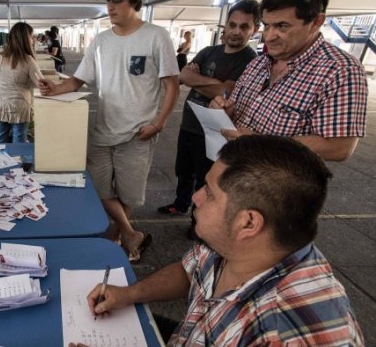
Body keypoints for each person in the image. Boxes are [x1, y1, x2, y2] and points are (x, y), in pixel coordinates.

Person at [76, 135, 365, 346]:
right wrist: (128, 294)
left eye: (210, 193)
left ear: (248, 222)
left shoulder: (288, 332)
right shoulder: (237, 245)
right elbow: (190, 271)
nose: (196, 197)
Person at [39, 0, 179, 262]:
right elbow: (78, 80)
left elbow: (172, 85)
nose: (110, 7)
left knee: (128, 195)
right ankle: (129, 233)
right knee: (98, 190)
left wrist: (158, 123)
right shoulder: (102, 40)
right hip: (103, 131)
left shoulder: (156, 36)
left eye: (116, 0)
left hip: (138, 133)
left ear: (135, 2)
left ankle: (116, 235)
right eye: (108, 1)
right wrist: (54, 89)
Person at [211, 0, 367, 162]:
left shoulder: (341, 70)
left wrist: (262, 143)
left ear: (316, 22)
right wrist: (226, 113)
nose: (268, 37)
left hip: (273, 183)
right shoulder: (258, 62)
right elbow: (236, 108)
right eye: (266, 25)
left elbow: (339, 147)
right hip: (231, 167)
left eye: (282, 26)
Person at [157, 0, 260, 229]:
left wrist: (200, 82)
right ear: (225, 25)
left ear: (255, 30)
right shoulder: (208, 51)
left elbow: (227, 92)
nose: (236, 31)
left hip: (215, 131)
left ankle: (198, 221)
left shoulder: (250, 61)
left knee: (206, 179)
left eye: (244, 27)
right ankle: (180, 203)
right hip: (189, 124)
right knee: (183, 170)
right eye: (232, 25)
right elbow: (183, 76)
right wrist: (215, 84)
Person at [0, 22, 43, 143]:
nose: (32, 41)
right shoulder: (28, 60)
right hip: (20, 106)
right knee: (19, 144)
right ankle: (18, 162)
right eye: (31, 37)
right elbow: (41, 83)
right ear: (24, 38)